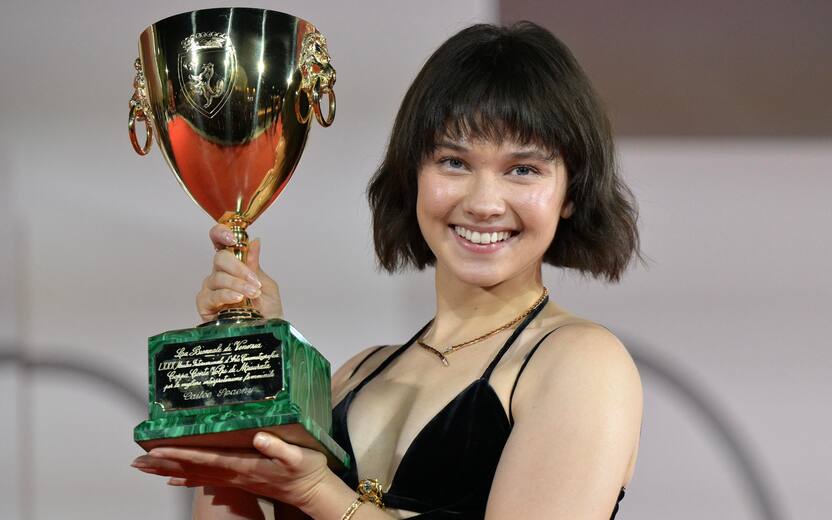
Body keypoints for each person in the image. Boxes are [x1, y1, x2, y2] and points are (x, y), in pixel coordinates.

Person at [132, 21, 645, 520]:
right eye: (454, 162)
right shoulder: (356, 373)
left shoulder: (581, 362)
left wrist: (316, 491)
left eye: (523, 170)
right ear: (413, 173)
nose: (485, 203)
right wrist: (254, 367)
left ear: (571, 193)